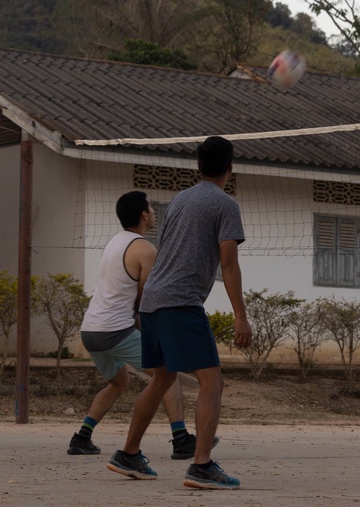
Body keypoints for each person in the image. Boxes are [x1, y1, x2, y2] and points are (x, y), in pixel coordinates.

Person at [106, 136, 252, 490]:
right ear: (230, 168)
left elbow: (166, 249)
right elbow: (229, 265)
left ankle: (128, 454)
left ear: (197, 166)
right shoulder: (225, 204)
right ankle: (201, 465)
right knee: (211, 381)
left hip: (153, 299)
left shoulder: (179, 200)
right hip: (181, 301)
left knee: (163, 378)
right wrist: (240, 315)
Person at [70, 191, 213, 459]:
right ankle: (181, 438)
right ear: (144, 214)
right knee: (167, 375)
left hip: (91, 330)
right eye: (151, 207)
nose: (155, 212)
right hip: (115, 329)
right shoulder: (145, 249)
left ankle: (82, 437)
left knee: (119, 382)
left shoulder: (114, 242)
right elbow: (147, 298)